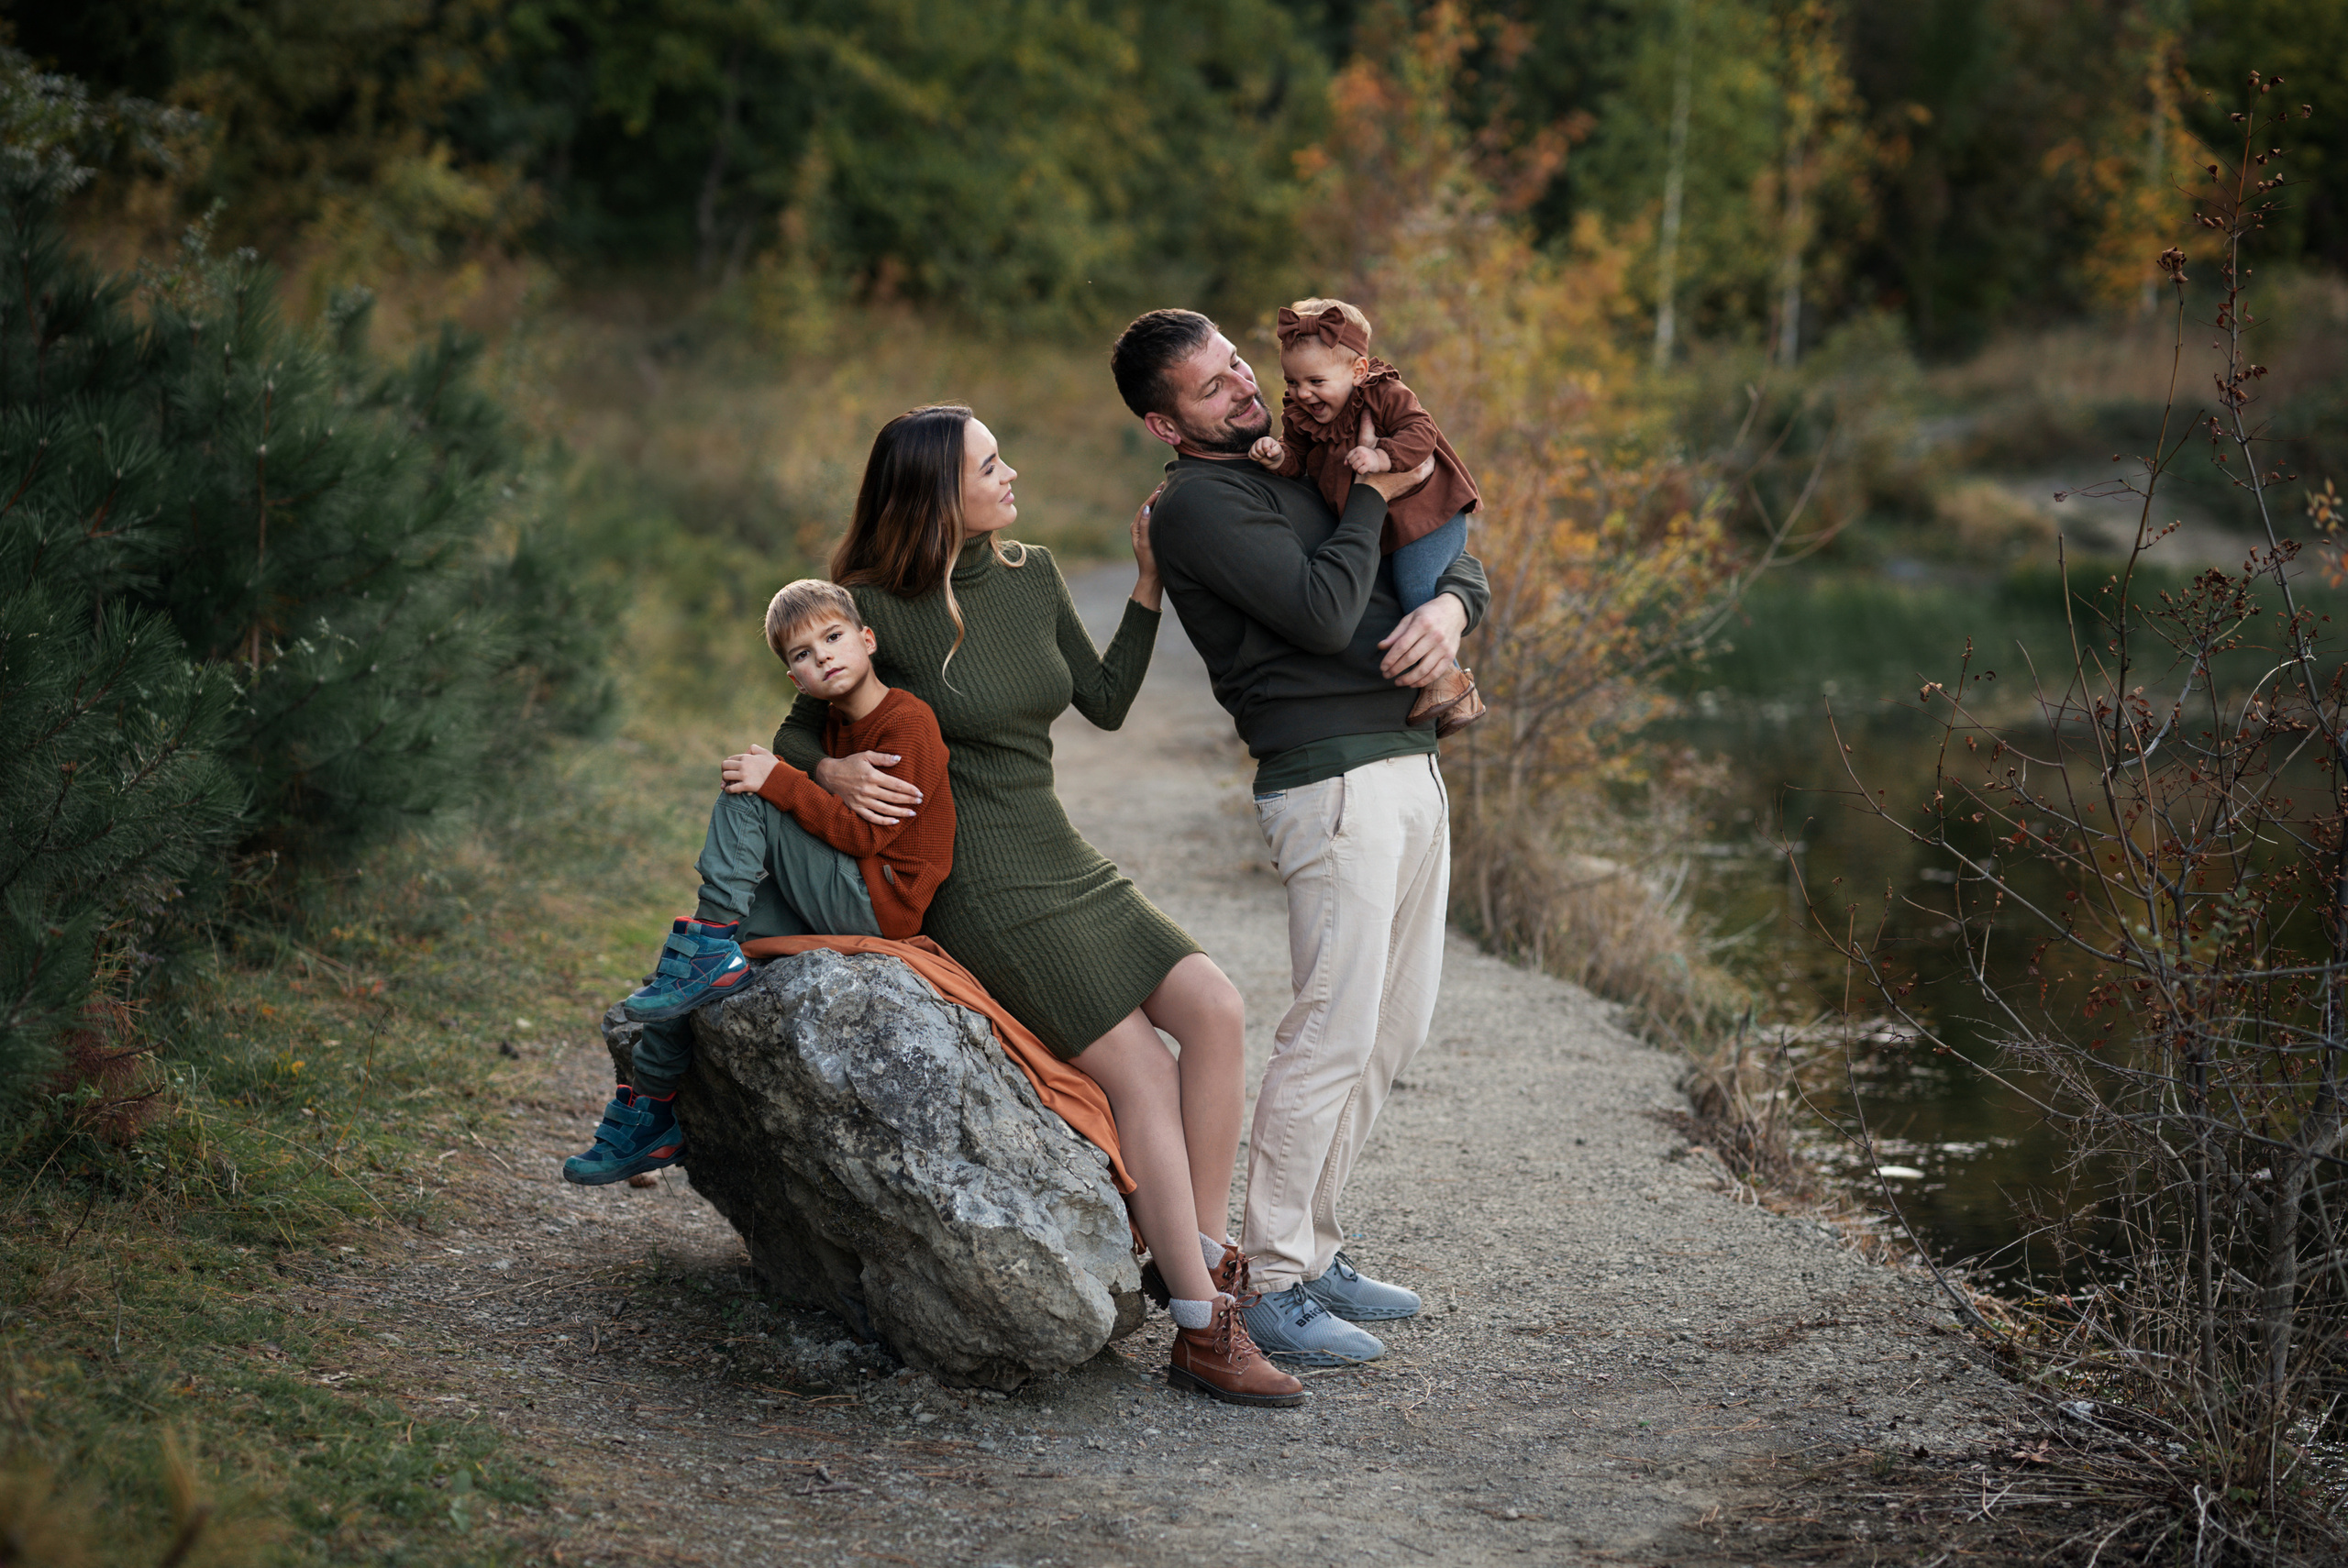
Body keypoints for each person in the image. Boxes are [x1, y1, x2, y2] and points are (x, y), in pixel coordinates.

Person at [771, 403, 1303, 1407]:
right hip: (975, 878)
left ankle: (1191, 1251)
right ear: (939, 492)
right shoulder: (869, 602)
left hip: (1055, 851)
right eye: (989, 463)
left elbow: (1103, 701)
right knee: (1141, 1072)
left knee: (1217, 1009)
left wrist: (1146, 588)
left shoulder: (1033, 573)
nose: (1011, 473)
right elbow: (796, 734)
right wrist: (833, 780)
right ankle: (1201, 1326)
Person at [1109, 307, 1490, 1367]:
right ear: (1163, 424)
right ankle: (1268, 1281)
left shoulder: (1302, 455)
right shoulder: (1199, 506)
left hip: (1405, 763)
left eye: (1237, 364)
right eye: (1209, 387)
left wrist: (1453, 613)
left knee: (1391, 1030)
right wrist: (1366, 499)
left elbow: (1448, 549)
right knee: (1328, 1033)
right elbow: (1328, 613)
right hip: (1328, 782)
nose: (1240, 388)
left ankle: (1312, 1251)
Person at [561, 580, 956, 1187]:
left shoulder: (908, 721)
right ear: (795, 679)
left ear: (867, 640)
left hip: (882, 900)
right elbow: (793, 756)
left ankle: (715, 941)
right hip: (845, 887)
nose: (822, 655)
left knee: (753, 791)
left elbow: (863, 839)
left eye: (833, 636)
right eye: (802, 654)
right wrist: (799, 773)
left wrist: (780, 782)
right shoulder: (825, 724)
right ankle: (652, 1112)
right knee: (683, 973)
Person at [1246, 296, 1484, 733]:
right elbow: (1299, 461)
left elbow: (1421, 433)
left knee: (1415, 589)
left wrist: (1382, 458)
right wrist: (1278, 457)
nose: (1303, 393)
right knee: (1389, 596)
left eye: (1316, 380)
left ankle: (1448, 684)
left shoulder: (1384, 394)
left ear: (1357, 372)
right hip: (1385, 526)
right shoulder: (1301, 414)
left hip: (1426, 517)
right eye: (1293, 381)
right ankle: (1452, 695)